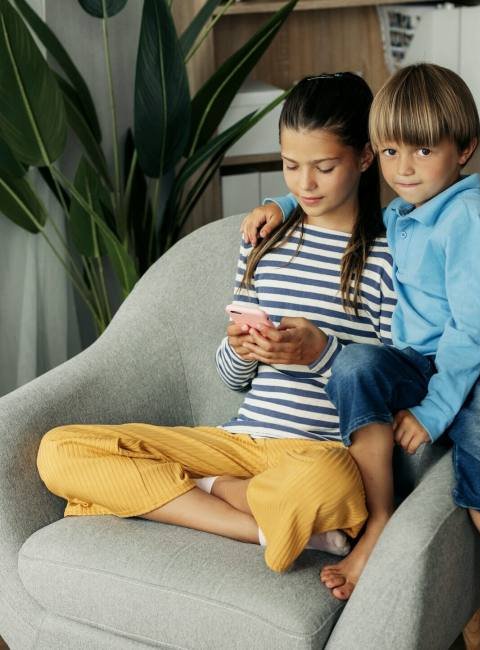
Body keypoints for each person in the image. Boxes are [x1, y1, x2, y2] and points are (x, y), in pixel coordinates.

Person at [36, 72, 398, 576]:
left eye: (324, 167)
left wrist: (321, 354)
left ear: (364, 157)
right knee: (60, 450)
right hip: (238, 442)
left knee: (329, 485)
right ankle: (257, 524)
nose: (304, 184)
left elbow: (394, 382)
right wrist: (240, 350)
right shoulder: (264, 241)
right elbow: (231, 378)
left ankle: (199, 494)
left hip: (316, 454)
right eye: (290, 165)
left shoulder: (387, 260)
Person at [241, 63, 480, 648]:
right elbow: (327, 176)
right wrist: (283, 203)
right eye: (389, 151)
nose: (403, 168)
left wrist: (434, 412)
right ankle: (378, 520)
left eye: (423, 151)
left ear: (465, 150)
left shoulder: (468, 220)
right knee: (357, 363)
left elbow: (474, 334)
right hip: (426, 361)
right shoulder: (407, 211)